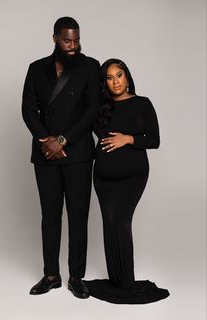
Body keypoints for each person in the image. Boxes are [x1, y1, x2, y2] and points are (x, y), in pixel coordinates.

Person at [22, 17, 100, 299]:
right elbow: (29, 110)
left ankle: (76, 276)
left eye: (77, 40)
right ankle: (51, 274)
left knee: (79, 216)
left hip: (77, 153)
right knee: (50, 216)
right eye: (67, 40)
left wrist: (63, 140)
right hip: (45, 154)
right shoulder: (36, 69)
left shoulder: (90, 66)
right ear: (54, 37)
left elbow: (92, 109)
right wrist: (47, 141)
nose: (73, 46)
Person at [85, 59, 170, 304]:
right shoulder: (101, 108)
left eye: (119, 75)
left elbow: (154, 139)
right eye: (109, 78)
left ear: (127, 76)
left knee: (120, 222)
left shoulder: (142, 104)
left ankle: (127, 283)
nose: (115, 81)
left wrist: (128, 139)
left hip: (133, 176)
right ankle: (115, 279)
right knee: (109, 224)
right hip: (102, 178)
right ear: (105, 83)